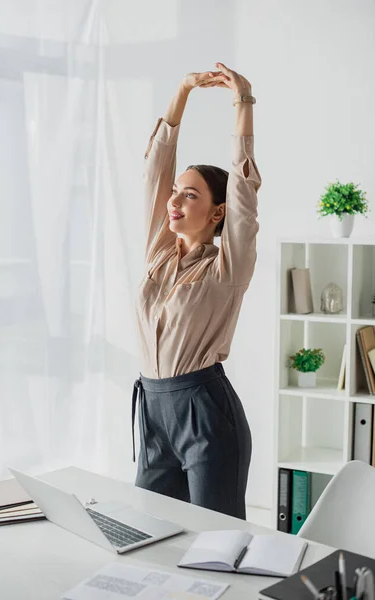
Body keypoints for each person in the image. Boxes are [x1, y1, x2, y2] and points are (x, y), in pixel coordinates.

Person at [132, 62, 261, 519]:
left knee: (216, 543)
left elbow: (245, 192)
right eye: (175, 192)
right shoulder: (159, 257)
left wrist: (241, 100)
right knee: (149, 531)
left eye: (189, 194)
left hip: (204, 413)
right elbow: (154, 171)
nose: (173, 200)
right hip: (153, 410)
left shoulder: (227, 266)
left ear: (216, 211)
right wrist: (183, 90)